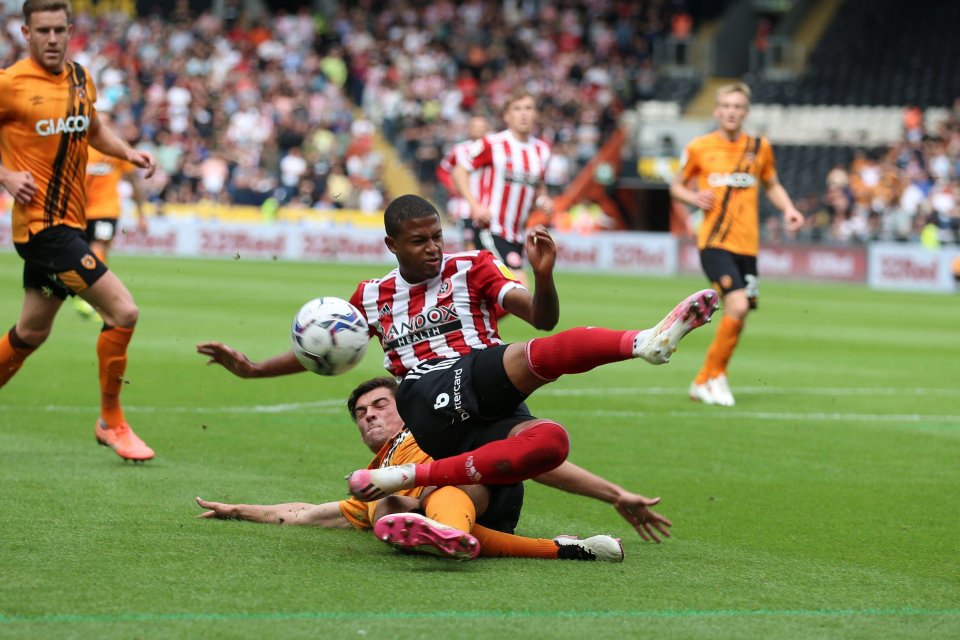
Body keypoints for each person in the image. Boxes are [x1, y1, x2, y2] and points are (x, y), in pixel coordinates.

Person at [196, 194, 718, 504]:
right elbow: (322, 352)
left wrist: (543, 276)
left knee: (549, 443)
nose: (433, 249)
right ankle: (644, 343)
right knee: (519, 358)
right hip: (425, 397)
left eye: (436, 237)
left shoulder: (473, 267)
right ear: (392, 246)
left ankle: (408, 483)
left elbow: (542, 316)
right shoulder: (371, 296)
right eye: (419, 241)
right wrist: (255, 369)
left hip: (484, 403)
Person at [196, 377, 669, 562]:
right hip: (429, 506)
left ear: (405, 406)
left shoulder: (441, 429)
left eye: (379, 405)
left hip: (486, 493)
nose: (370, 416)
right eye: (361, 415)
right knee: (387, 506)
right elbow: (306, 513)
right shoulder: (377, 471)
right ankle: (569, 549)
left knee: (444, 482)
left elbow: (530, 459)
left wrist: (614, 494)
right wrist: (239, 509)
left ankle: (447, 531)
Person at [0, 0, 157, 461]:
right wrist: (5, 175)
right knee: (123, 312)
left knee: (31, 332)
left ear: (70, 30)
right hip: (42, 228)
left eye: (59, 30)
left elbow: (93, 130)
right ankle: (112, 421)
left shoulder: (79, 76)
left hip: (72, 221)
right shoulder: (9, 84)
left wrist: (129, 153)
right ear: (26, 33)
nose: (52, 38)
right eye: (42, 30)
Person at [669, 81, 804, 407]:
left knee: (738, 314)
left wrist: (788, 209)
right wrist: (692, 197)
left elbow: (772, 183)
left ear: (745, 112)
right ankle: (714, 377)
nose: (731, 112)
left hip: (748, 246)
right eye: (726, 106)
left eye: (738, 107)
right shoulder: (700, 147)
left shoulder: (759, 147)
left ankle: (706, 379)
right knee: (738, 305)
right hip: (714, 241)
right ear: (717, 110)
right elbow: (676, 186)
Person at [451, 89, 553, 287]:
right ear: (507, 116)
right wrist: (475, 205)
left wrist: (543, 200)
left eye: (528, 108)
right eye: (517, 109)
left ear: (536, 114)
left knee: (489, 292)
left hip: (517, 234)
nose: (523, 113)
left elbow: (539, 186)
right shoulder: (492, 143)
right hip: (491, 228)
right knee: (518, 285)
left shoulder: (542, 150)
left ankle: (460, 316)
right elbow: (459, 171)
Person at [74, 106, 148, 319]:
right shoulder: (78, 145)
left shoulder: (116, 148)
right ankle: (91, 293)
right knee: (83, 253)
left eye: (106, 122)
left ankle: (91, 298)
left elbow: (134, 181)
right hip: (78, 210)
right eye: (99, 121)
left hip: (106, 209)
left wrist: (141, 214)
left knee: (99, 248)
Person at [436, 115, 491, 252]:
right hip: (466, 205)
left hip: (487, 204)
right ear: (469, 129)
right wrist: (452, 186)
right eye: (474, 127)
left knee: (486, 245)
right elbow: (443, 170)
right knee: (469, 243)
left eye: (481, 127)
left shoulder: (493, 149)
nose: (478, 130)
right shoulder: (459, 149)